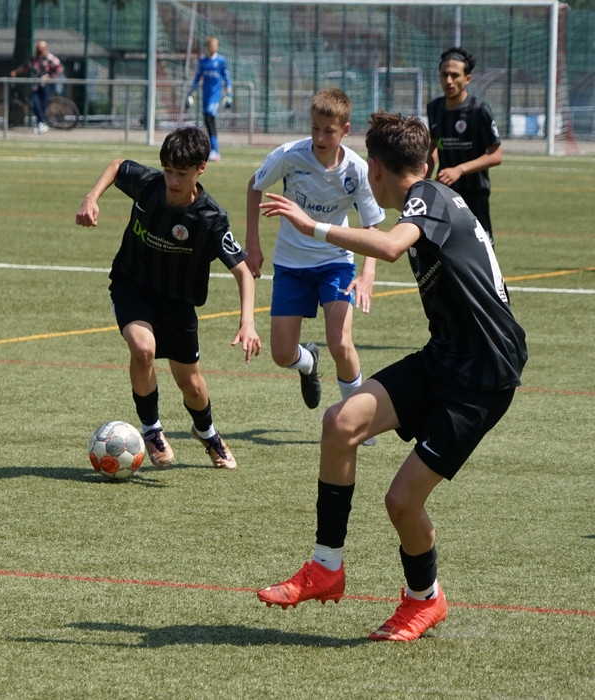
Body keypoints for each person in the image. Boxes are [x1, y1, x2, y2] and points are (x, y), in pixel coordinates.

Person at [255, 111, 527, 642]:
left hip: (483, 377)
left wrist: (312, 226)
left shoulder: (431, 198)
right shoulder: (431, 197)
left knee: (401, 501)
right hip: (445, 357)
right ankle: (325, 567)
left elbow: (389, 246)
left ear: (375, 169)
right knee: (340, 423)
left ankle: (425, 599)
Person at [75, 126, 260, 470]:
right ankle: (152, 430)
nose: (173, 180)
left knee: (191, 384)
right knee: (142, 349)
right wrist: (91, 197)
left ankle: (206, 432)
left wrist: (247, 323)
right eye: (168, 170)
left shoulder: (210, 218)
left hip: (178, 302)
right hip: (132, 284)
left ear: (201, 168)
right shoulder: (149, 185)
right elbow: (117, 165)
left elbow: (243, 272)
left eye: (182, 173)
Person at [245, 89, 384, 428]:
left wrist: (368, 272)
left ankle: (358, 420)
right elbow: (255, 185)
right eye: (315, 129)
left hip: (336, 261)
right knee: (282, 354)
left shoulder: (357, 169)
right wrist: (253, 243)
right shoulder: (289, 155)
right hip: (291, 264)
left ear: (345, 130)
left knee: (340, 342)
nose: (320, 138)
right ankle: (308, 361)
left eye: (329, 131)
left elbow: (372, 225)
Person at [427, 47, 503, 246]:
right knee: (447, 248)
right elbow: (433, 146)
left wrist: (459, 169)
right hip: (445, 192)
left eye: (455, 75)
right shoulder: (434, 108)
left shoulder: (479, 110)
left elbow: (495, 155)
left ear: (467, 78)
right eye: (444, 75)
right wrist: (423, 180)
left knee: (482, 248)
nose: (448, 81)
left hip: (475, 192)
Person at [185, 37, 233, 162]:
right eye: (210, 46)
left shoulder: (221, 61)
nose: (212, 48)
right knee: (207, 121)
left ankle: (215, 150)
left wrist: (229, 93)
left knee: (209, 117)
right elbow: (197, 78)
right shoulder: (203, 62)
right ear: (207, 47)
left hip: (215, 95)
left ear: (217, 47)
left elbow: (227, 77)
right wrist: (190, 93)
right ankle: (213, 150)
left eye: (214, 46)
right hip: (205, 95)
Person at [10, 40, 63, 134]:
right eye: (38, 48)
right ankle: (41, 123)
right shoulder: (34, 59)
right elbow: (25, 67)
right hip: (36, 85)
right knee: (35, 103)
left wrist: (51, 77)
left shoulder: (50, 58)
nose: (38, 50)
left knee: (43, 104)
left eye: (40, 48)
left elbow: (59, 68)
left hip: (46, 85)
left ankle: (41, 123)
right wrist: (15, 72)